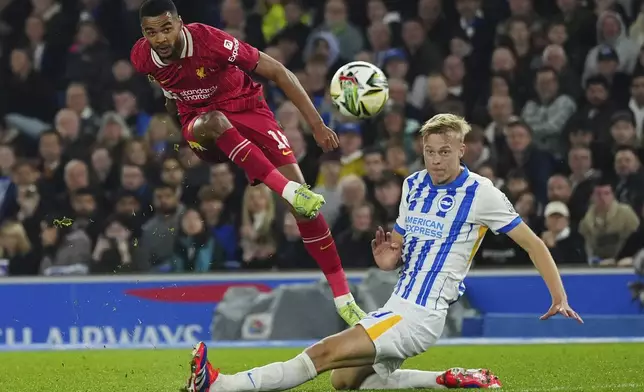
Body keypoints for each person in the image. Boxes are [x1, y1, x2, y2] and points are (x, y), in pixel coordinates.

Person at [182, 114, 584, 391]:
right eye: (430, 151)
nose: (436, 159)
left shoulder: (482, 193)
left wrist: (559, 295)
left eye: (445, 151)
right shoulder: (413, 185)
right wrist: (390, 260)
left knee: (322, 354)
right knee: (343, 382)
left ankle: (221, 384)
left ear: (462, 149)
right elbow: (401, 247)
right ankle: (447, 379)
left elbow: (533, 243)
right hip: (397, 304)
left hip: (421, 314)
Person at [130, 0, 364, 324]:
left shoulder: (210, 41)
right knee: (214, 121)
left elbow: (278, 71)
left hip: (248, 109)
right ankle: (287, 189)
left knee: (305, 209)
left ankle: (343, 297)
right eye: (150, 32)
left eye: (166, 29)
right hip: (202, 123)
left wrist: (317, 125)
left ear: (180, 23)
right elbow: (171, 94)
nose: (159, 38)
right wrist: (184, 133)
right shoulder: (142, 57)